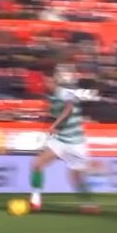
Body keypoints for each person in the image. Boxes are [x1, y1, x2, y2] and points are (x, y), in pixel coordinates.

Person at [29, 65, 98, 214]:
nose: (44, 84)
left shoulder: (64, 92)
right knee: (37, 164)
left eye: (47, 81)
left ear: (55, 81)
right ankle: (35, 200)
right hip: (60, 140)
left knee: (75, 177)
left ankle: (89, 202)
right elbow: (56, 113)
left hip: (75, 141)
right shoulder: (50, 96)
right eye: (43, 81)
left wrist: (55, 125)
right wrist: (48, 123)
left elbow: (69, 109)